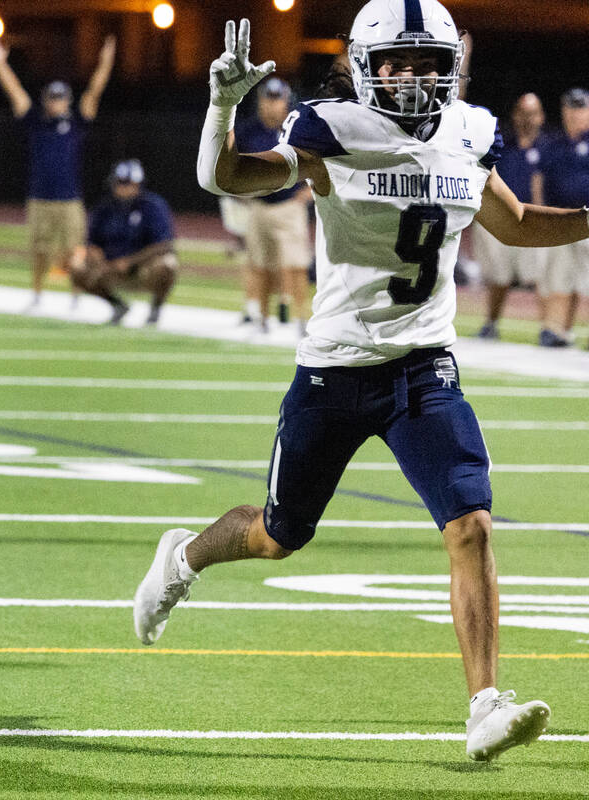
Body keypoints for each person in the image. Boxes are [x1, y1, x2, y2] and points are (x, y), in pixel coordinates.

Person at [134, 1, 589, 763]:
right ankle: (182, 559)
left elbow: (510, 223)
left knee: (471, 524)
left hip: (424, 367)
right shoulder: (331, 127)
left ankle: (484, 705)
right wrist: (222, 105)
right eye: (396, 62)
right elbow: (229, 178)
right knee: (279, 535)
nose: (411, 77)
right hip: (336, 367)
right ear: (362, 66)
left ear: (452, 67)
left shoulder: (471, 130)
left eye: (426, 62)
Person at [0, 34, 116, 310]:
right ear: (46, 100)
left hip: (69, 198)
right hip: (40, 197)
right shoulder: (36, 122)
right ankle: (37, 294)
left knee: (74, 250)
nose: (56, 102)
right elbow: (15, 91)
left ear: (67, 100)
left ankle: (76, 297)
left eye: (61, 98)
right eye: (53, 98)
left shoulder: (77, 122)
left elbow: (94, 91)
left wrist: (105, 62)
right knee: (39, 249)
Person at [234, 77, 312, 336]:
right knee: (259, 265)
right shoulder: (247, 131)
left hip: (289, 205)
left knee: (296, 265)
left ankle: (302, 319)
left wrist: (310, 192)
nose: (272, 106)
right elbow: (233, 165)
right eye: (268, 99)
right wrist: (240, 190)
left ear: (286, 102)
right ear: (260, 102)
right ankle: (262, 319)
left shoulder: (299, 128)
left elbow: (321, 162)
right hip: (258, 206)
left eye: (277, 100)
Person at [472, 93, 549, 340]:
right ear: (515, 115)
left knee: (541, 276)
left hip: (534, 219)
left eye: (532, 113)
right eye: (523, 112)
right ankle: (491, 324)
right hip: (502, 218)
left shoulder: (549, 146)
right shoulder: (501, 143)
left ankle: (548, 328)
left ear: (541, 116)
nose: (527, 119)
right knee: (499, 275)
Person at [70, 159, 178, 325]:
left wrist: (130, 262)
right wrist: (97, 259)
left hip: (143, 268)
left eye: (127, 183)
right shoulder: (104, 207)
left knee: (168, 264)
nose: (123, 188)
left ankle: (156, 307)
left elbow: (165, 245)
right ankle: (117, 305)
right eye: (119, 183)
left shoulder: (153, 206)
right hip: (109, 268)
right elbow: (91, 242)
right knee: (76, 266)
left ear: (138, 184)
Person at [533, 87, 589, 347]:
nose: (576, 114)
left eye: (581, 108)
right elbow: (538, 180)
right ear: (564, 110)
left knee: (584, 280)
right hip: (560, 220)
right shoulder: (552, 142)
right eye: (571, 108)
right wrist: (539, 213)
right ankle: (555, 330)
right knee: (559, 278)